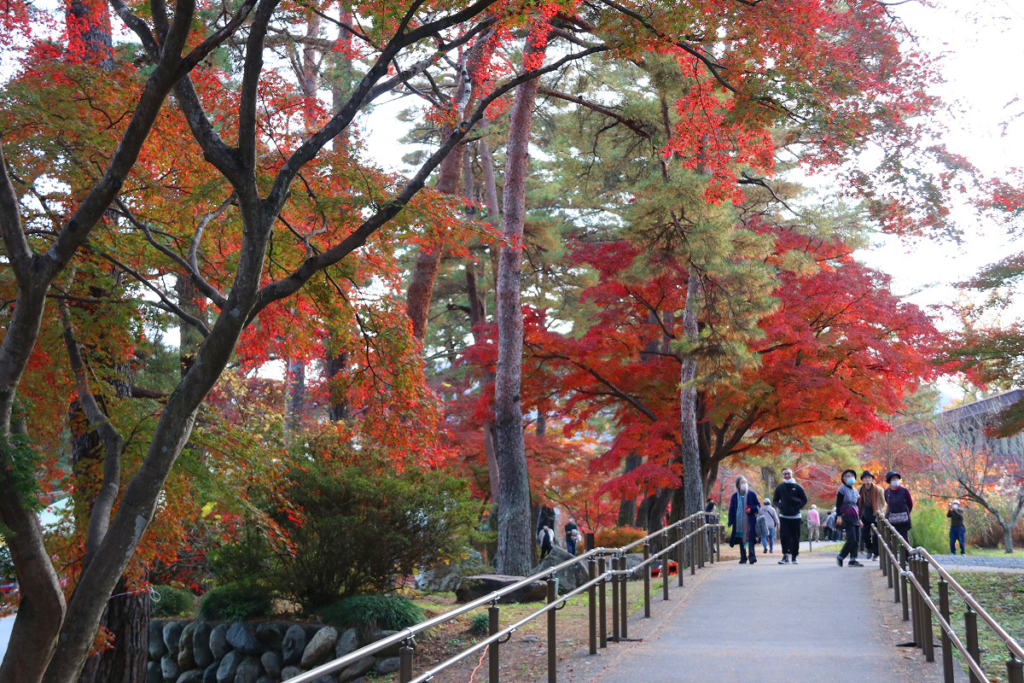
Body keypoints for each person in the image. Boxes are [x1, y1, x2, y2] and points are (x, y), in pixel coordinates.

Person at [772, 466, 808, 565]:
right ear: (782, 475)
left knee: (795, 537)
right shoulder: (780, 487)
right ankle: (785, 556)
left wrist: (797, 508)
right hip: (784, 516)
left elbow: (804, 500)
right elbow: (775, 500)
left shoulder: (797, 487)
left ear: (791, 474)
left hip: (796, 517)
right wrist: (781, 506)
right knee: (784, 536)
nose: (787, 475)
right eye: (785, 474)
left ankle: (794, 557)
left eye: (788, 473)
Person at [728, 476, 761, 564]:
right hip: (738, 522)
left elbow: (758, 506)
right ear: (738, 485)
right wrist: (730, 520)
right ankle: (743, 557)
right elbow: (731, 509)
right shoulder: (734, 496)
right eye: (742, 483)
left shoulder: (752, 494)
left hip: (750, 521)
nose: (744, 484)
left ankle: (752, 557)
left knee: (750, 538)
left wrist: (751, 508)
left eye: (745, 482)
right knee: (740, 539)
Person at [835, 469, 864, 567]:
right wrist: (838, 516)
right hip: (846, 515)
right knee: (851, 538)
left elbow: (858, 505)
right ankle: (841, 556)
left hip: (855, 516)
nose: (850, 477)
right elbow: (838, 504)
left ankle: (853, 559)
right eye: (848, 476)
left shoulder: (855, 491)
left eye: (852, 476)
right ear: (844, 479)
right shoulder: (842, 490)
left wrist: (860, 519)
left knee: (856, 539)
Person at [858, 470, 885, 561]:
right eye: (865, 478)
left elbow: (883, 502)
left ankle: (876, 554)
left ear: (872, 479)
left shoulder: (879, 489)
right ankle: (869, 549)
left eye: (869, 478)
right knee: (864, 534)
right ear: (863, 480)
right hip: (864, 514)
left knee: (876, 535)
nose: (867, 480)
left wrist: (879, 511)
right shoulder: (859, 489)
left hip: (875, 514)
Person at [884, 471, 913, 542]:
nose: (895, 480)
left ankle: (907, 553)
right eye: (893, 479)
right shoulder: (887, 492)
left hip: (903, 519)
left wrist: (906, 513)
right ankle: (892, 553)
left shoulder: (904, 491)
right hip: (891, 518)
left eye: (896, 479)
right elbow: (887, 502)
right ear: (889, 481)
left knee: (904, 538)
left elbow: (910, 504)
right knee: (890, 538)